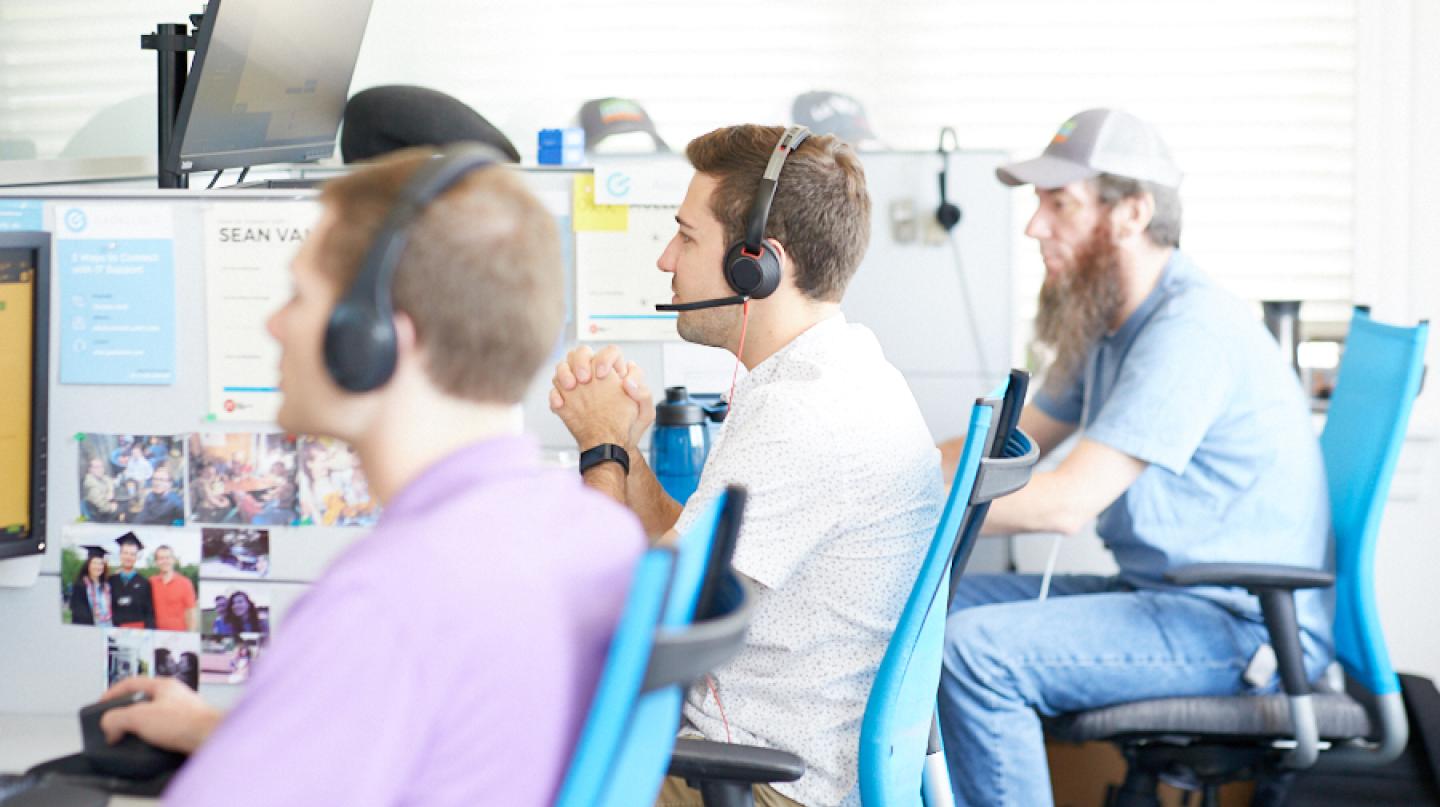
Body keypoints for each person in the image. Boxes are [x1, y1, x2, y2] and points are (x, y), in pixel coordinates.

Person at [98, 146, 645, 806]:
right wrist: (230, 731)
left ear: (377, 339)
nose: (275, 322)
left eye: (300, 294)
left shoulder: (388, 600)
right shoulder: (591, 528)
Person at [932, 109, 1333, 806]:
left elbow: (1064, 503)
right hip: (1161, 600)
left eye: (1060, 205)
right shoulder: (1108, 323)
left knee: (973, 651)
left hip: (1235, 627)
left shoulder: (1189, 331)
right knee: (925, 610)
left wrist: (895, 504)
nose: (1034, 228)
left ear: (1132, 213)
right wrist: (874, 468)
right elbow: (1001, 442)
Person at [550, 124, 942, 806]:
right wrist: (631, 452)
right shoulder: (837, 371)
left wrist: (601, 449)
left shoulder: (804, 415)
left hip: (756, 784)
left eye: (687, 235)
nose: (665, 259)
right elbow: (697, 555)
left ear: (757, 262)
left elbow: (628, 627)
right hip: (770, 759)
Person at [110, 532, 156, 629]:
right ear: (120, 554)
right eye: (125, 553)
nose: (128, 557)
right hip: (114, 632)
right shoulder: (110, 581)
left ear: (136, 557)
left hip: (138, 633)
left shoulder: (145, 583)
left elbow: (149, 613)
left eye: (132, 554)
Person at [150, 544, 198, 632]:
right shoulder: (150, 582)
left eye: (167, 558)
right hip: (155, 634)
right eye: (161, 558)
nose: (164, 561)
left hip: (178, 634)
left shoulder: (185, 583)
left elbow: (191, 613)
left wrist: (191, 635)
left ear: (173, 560)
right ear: (156, 562)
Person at [68, 545, 114, 627]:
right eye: (95, 563)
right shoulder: (80, 585)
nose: (98, 567)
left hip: (108, 628)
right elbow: (78, 612)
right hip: (89, 629)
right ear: (88, 565)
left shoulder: (107, 586)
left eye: (101, 564)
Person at [82, 456, 119, 522]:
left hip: (106, 509)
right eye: (96, 467)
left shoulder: (101, 478)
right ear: (90, 469)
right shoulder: (91, 484)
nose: (100, 469)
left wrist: (110, 492)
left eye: (101, 467)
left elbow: (109, 480)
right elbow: (103, 507)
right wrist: (112, 507)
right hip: (100, 516)